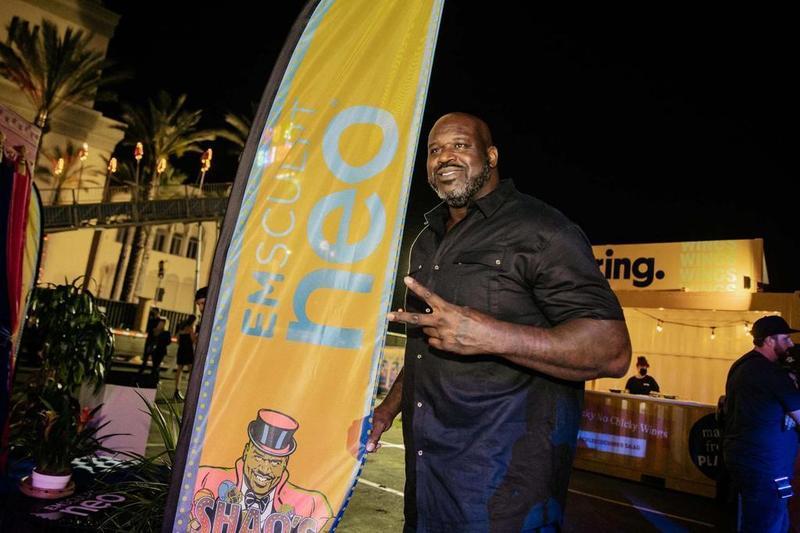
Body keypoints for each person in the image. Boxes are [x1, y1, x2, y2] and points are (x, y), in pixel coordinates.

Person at [367, 112, 631, 531]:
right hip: (428, 481)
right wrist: (386, 410)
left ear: (490, 156)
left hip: (503, 493)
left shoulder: (542, 230)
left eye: (460, 145)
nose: (444, 157)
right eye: (434, 150)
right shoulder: (427, 240)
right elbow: (425, 349)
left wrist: (490, 336)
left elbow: (612, 350)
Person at [191, 409, 332, 531]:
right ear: (246, 452)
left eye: (275, 462)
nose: (265, 469)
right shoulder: (203, 479)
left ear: (285, 464)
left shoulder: (312, 505)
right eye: (258, 457)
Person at [723, 315, 800, 532]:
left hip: (746, 460)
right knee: (767, 524)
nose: (790, 344)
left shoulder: (741, 365)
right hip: (768, 467)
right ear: (768, 340)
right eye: (785, 339)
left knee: (762, 521)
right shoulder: (772, 374)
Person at [137, 317, 171, 384]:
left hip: (160, 350)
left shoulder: (166, 332)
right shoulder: (154, 330)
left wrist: (161, 340)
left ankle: (155, 378)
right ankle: (153, 377)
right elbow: (149, 340)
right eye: (160, 323)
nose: (161, 325)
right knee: (154, 365)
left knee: (156, 365)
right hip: (153, 350)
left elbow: (168, 342)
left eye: (162, 324)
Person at [174, 315, 197, 401]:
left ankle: (176, 390)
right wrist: (196, 336)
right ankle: (190, 392)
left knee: (179, 370)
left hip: (181, 349)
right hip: (188, 350)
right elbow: (193, 340)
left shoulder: (181, 328)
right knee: (191, 372)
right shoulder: (191, 327)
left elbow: (177, 340)